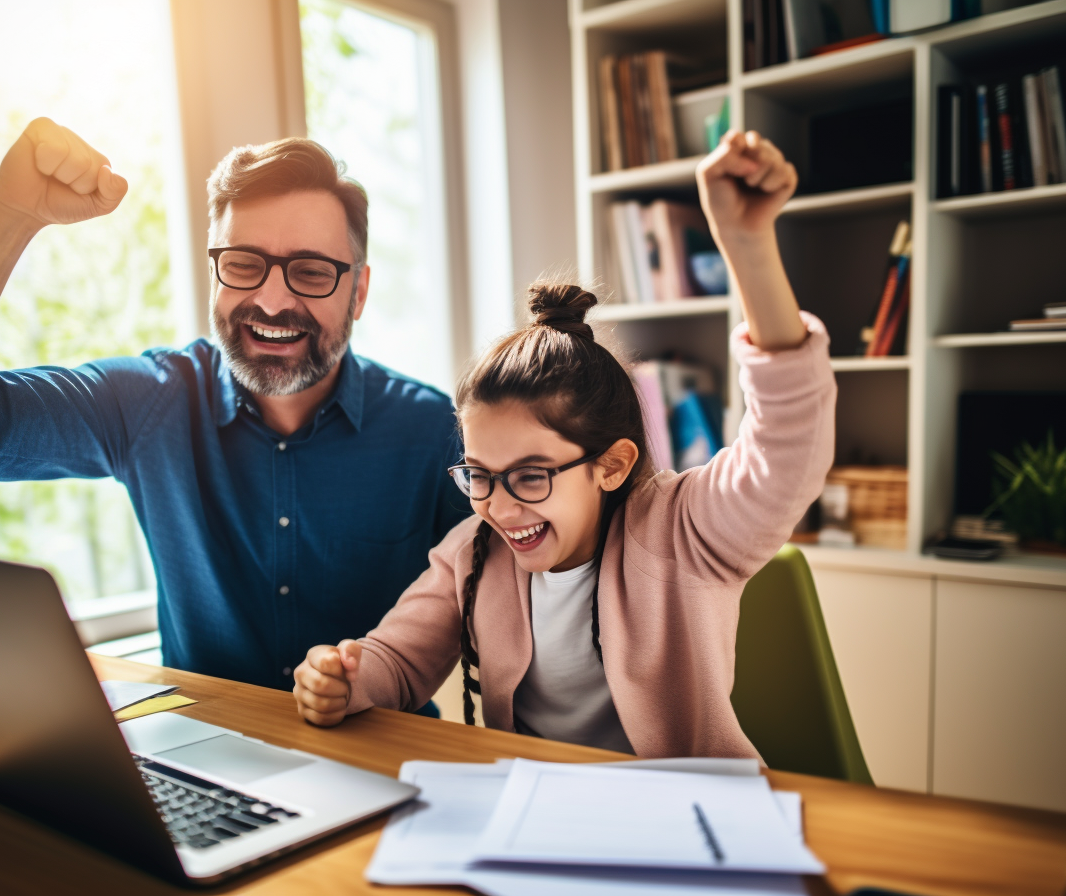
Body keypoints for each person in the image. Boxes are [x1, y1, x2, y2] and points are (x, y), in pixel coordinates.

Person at [0, 118, 468, 693]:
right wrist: (9, 215)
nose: (273, 299)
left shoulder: (433, 434)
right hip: (206, 771)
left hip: (381, 766)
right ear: (215, 274)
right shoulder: (152, 400)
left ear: (358, 291)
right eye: (243, 264)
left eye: (311, 272)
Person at [292, 130, 837, 758]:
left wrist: (746, 245)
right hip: (538, 816)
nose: (498, 506)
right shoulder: (472, 554)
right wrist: (348, 678)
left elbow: (786, 448)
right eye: (478, 475)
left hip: (679, 822)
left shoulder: (685, 531)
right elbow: (399, 659)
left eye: (530, 476)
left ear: (611, 465)